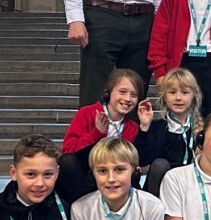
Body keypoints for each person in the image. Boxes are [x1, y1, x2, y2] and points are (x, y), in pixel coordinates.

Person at [56, 67, 155, 203]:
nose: (127, 99)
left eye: (133, 95)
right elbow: (68, 151)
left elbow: (142, 161)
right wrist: (97, 133)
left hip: (117, 180)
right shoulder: (87, 113)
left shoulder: (132, 126)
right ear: (108, 93)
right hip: (86, 178)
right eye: (122, 92)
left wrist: (144, 127)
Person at [136, 67, 203, 196]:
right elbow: (142, 161)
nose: (178, 98)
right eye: (172, 92)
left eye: (184, 92)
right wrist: (144, 127)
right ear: (164, 96)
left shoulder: (201, 130)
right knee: (160, 164)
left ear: (194, 95)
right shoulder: (156, 127)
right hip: (160, 190)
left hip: (188, 190)